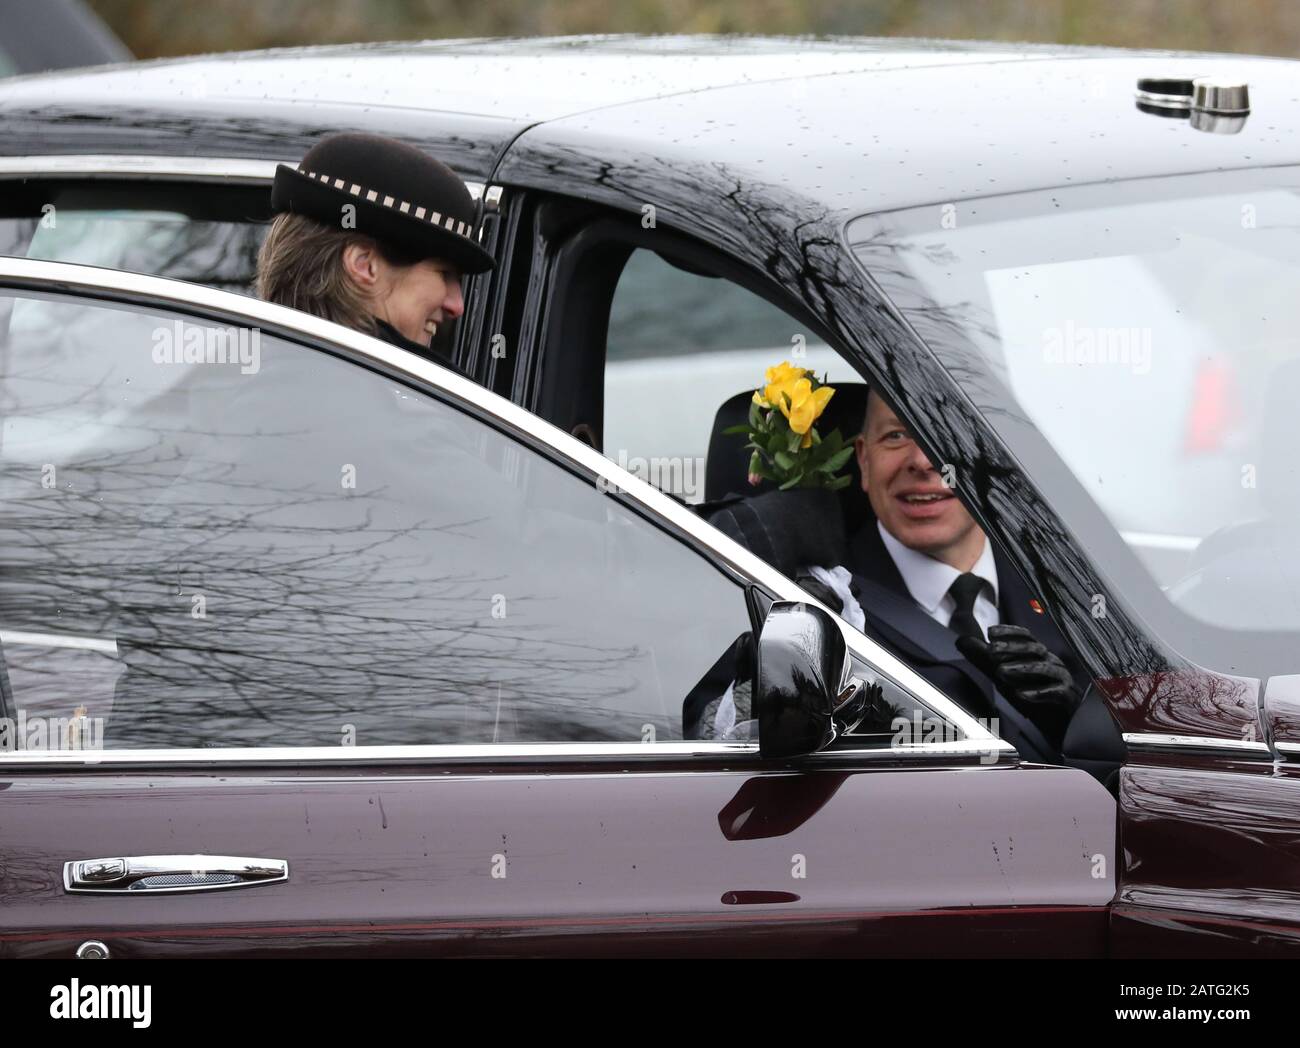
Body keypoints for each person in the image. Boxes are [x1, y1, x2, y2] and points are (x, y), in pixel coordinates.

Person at [707, 389, 1086, 762]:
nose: (922, 461)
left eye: (948, 432)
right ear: (864, 460)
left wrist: (1076, 724)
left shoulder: (1075, 584)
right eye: (896, 436)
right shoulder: (819, 604)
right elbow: (711, 729)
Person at [256, 131, 496, 370]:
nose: (457, 305)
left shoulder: (249, 382)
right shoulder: (361, 400)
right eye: (444, 273)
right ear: (364, 265)